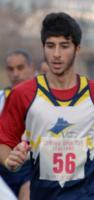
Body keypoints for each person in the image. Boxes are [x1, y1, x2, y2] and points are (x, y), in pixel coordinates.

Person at [0, 12, 94, 200]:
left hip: (88, 195)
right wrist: (9, 160)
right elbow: (4, 140)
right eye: (50, 46)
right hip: (43, 194)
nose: (56, 54)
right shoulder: (23, 94)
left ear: (77, 48)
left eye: (64, 46)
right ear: (43, 47)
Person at [0, 49, 35, 200]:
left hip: (30, 167)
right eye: (10, 69)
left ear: (31, 68)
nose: (15, 73)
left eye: (20, 68)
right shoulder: (1, 98)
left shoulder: (43, 99)